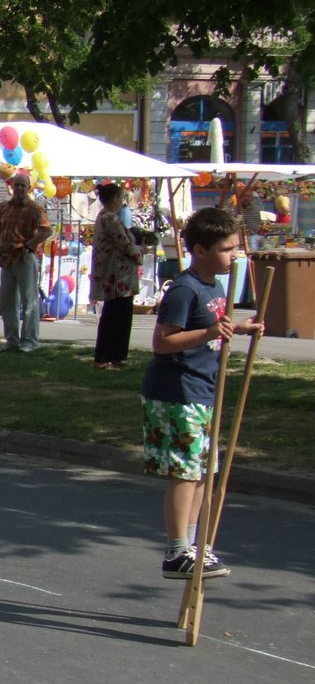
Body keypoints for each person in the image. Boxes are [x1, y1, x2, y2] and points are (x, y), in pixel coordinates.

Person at [140, 207, 260, 580]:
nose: (234, 255)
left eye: (235, 247)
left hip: (204, 388)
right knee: (186, 471)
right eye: (226, 249)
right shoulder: (185, 288)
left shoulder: (216, 285)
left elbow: (212, 325)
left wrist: (237, 328)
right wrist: (210, 333)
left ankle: (193, 545)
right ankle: (176, 550)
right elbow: (163, 342)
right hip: (176, 390)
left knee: (206, 471)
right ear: (200, 250)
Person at [0, 172, 51, 352]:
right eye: (16, 185)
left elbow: (46, 231)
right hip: (6, 259)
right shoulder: (4, 207)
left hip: (24, 258)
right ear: (11, 186)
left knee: (29, 301)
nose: (19, 188)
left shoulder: (34, 208)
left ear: (29, 188)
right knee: (7, 301)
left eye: (23, 185)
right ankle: (12, 339)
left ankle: (30, 341)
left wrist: (29, 245)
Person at [92, 183, 144, 369]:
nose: (122, 202)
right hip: (118, 276)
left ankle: (116, 356)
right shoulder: (110, 219)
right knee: (116, 317)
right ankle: (107, 356)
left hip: (116, 274)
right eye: (121, 198)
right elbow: (124, 243)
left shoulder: (103, 216)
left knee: (119, 316)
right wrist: (138, 253)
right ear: (114, 198)